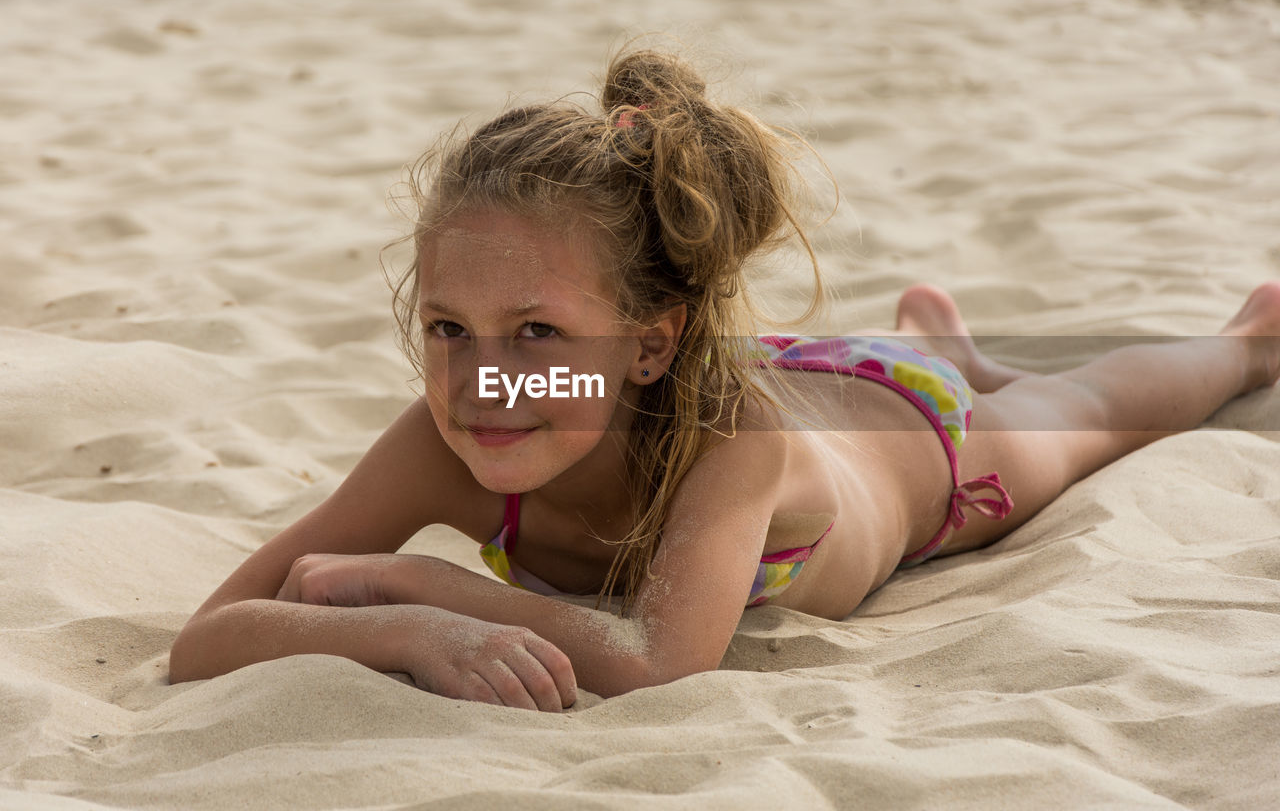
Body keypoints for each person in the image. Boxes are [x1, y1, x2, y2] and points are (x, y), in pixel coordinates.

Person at [168, 48, 1280, 713]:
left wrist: (423, 590)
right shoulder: (445, 430)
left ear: (649, 341)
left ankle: (1242, 341)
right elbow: (207, 635)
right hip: (761, 372)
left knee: (1077, 414)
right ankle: (937, 334)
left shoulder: (726, 439)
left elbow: (658, 664)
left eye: (536, 333)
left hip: (905, 447)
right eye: (449, 326)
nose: (480, 379)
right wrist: (396, 633)